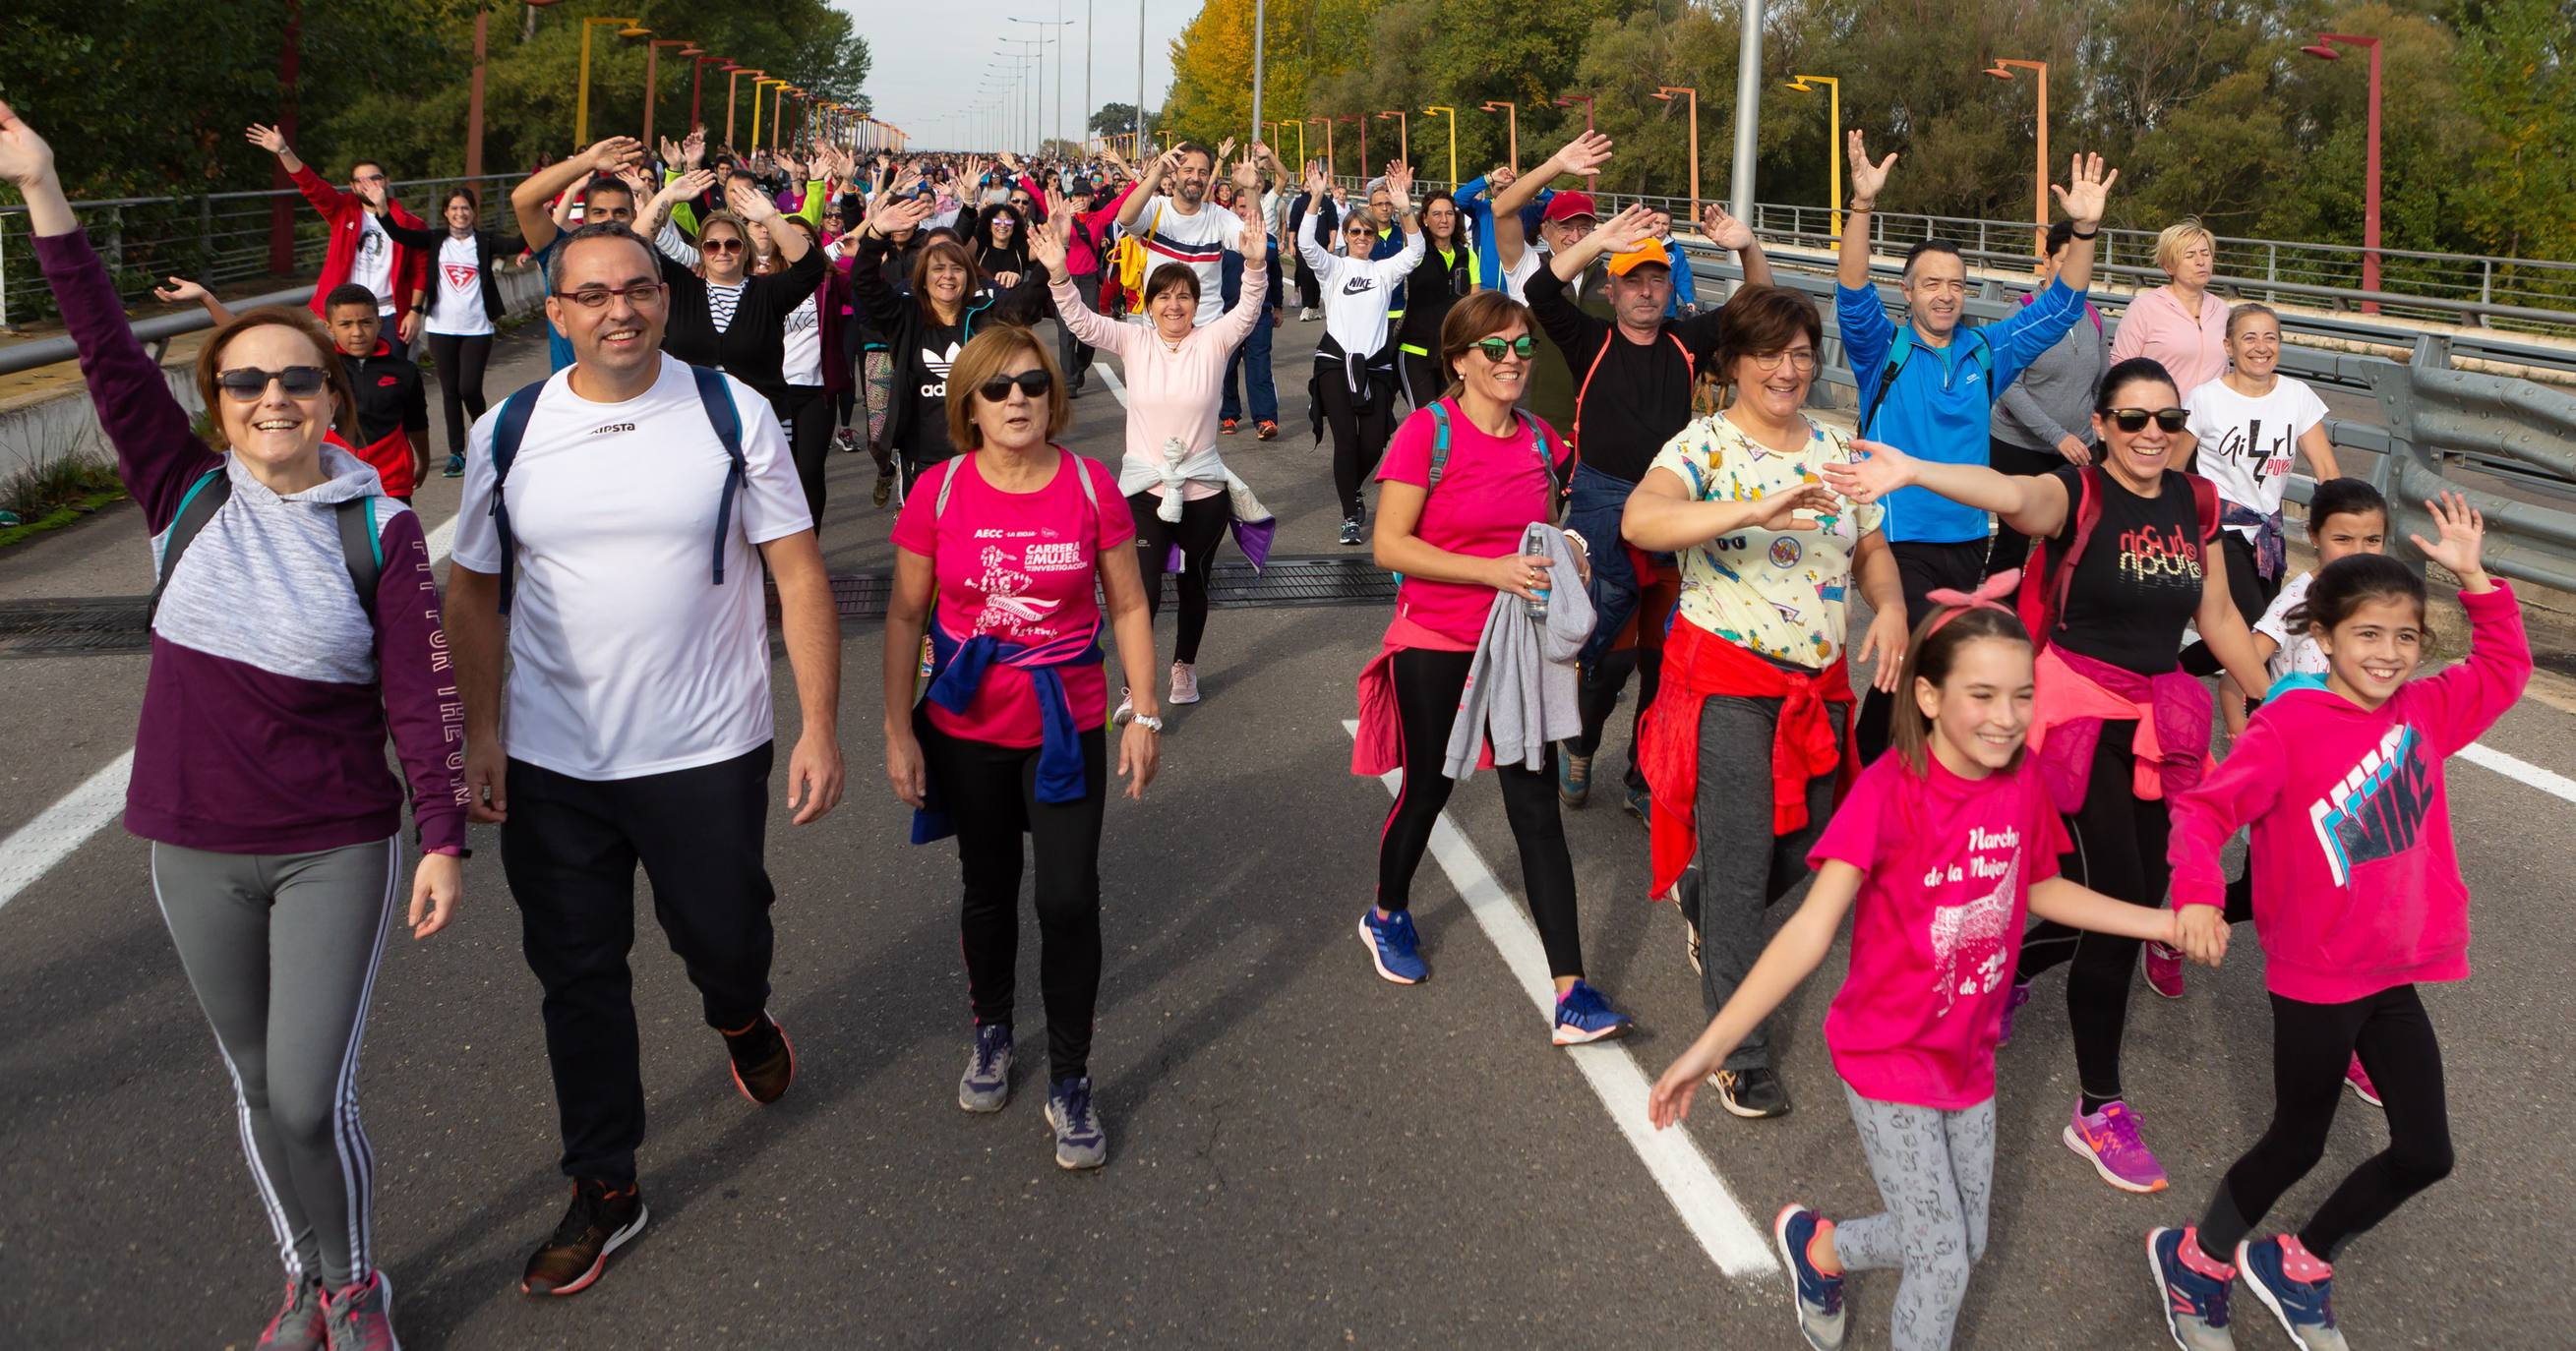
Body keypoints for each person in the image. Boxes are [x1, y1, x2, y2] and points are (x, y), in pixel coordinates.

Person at [11, 100, 461, 1350]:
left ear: (333, 394)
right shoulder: (185, 492)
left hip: (334, 842)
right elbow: (105, 354)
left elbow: (420, 689)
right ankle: (308, 1283)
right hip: (192, 844)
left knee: (313, 1095)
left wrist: (439, 836)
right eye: (247, 380)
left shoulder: (380, 525)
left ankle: (359, 1279)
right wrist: (45, 187)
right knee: (256, 1089)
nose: (273, 397)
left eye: (298, 379)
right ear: (218, 400)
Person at [1647, 586, 2213, 1351]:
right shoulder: (1887, 793)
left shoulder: (2020, 782)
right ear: (1927, 694)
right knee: (1943, 1260)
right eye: (1981, 695)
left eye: (2021, 695)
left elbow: (2039, 885)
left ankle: (1821, 1252)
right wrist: (1709, 1046)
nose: (2006, 717)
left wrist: (2162, 921)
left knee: (1960, 1242)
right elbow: (1808, 932)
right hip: (1885, 1056)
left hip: (1966, 1056)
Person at [446, 220, 844, 1298]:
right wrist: (478, 732)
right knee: (577, 975)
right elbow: (473, 591)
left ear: (663, 300)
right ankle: (606, 1186)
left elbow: (798, 576)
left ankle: (739, 1012)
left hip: (707, 748)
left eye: (638, 288)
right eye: (594, 294)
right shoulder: (510, 431)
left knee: (723, 937)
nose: (620, 308)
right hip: (554, 761)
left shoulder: (729, 411)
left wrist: (818, 723)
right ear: (557, 313)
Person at [1824, 357, 2276, 1196]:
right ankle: (2097, 1109)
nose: (2150, 436)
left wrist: (2282, 705)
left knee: (2109, 890)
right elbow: (2010, 496)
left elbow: (2214, 617)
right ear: (2100, 424)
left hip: (2154, 717)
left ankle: (2007, 976)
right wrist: (1913, 468)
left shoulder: (2196, 503)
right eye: (2131, 420)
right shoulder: (2076, 493)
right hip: (2072, 718)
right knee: (2125, 908)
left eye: (2166, 422)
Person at [2148, 498, 2527, 1351]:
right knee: (2296, 1142)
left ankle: (2299, 1262)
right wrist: (2200, 895)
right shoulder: (2287, 724)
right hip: (2317, 974)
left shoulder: (2423, 715)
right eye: (2367, 635)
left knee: (2426, 1152)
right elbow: (2203, 813)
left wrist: (2475, 582)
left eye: (2404, 638)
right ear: (2324, 639)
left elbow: (2502, 671)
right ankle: (2197, 1259)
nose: (2388, 654)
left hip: (2391, 972)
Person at [1620, 284, 1908, 1118]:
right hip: (1726, 683)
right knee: (1746, 864)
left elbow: (1872, 550)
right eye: (1767, 355)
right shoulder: (1702, 445)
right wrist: (1759, 502)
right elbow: (1643, 521)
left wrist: (1888, 604)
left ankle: (1706, 902)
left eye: (1799, 354)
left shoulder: (1841, 446)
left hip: (1817, 687)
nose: (1786, 370)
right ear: (1734, 364)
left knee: (1819, 844)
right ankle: (1733, 1050)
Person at [880, 326, 1164, 1171]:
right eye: (997, 388)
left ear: (1053, 395)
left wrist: (1141, 711)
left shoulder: (1087, 485)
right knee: (988, 888)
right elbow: (902, 617)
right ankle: (994, 1028)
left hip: (1064, 727)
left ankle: (1071, 1077)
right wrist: (898, 731)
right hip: (967, 728)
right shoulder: (936, 492)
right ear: (967, 402)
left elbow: (1129, 608)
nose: (1016, 401)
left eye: (1032, 386)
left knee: (1069, 900)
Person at [1353, 291, 1635, 1044]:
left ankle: (1570, 992)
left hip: (1516, 651)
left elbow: (1559, 520)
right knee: (1428, 789)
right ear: (1459, 362)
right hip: (1435, 640)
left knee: (1534, 810)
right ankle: (1386, 913)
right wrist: (1493, 572)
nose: (1512, 361)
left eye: (1521, 347)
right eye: (1495, 350)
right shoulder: (1427, 433)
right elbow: (1389, 545)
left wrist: (1568, 547)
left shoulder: (1542, 441)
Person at [1836, 133, 2114, 763]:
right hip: (1894, 536)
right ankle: (1876, 783)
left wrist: (2086, 230)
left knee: (1929, 670)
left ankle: (1891, 774)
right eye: (1930, 283)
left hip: (1965, 538)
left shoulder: (1987, 351)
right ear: (1907, 292)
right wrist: (1861, 206)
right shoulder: (1884, 350)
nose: (1944, 294)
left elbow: (2063, 306)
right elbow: (1852, 293)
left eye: (1955, 284)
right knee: (1911, 660)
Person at [1528, 195, 1770, 818]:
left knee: (1663, 657)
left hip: (1671, 500)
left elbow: (1759, 308)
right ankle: (1579, 743)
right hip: (1602, 503)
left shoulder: (1686, 341)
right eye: (1632, 280)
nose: (1645, 292)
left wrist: (1746, 247)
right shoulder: (1590, 340)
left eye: (1655, 279)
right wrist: (1599, 237)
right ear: (1611, 290)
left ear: (1669, 287)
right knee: (1604, 650)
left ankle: (1643, 774)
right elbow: (1540, 291)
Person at [1035, 192, 1271, 714]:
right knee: (1138, 591)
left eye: (1183, 297)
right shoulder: (1135, 340)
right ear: (1150, 301)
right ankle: (1132, 685)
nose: (1174, 305)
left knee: (1193, 585)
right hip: (1142, 490)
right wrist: (1059, 275)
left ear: (1195, 304)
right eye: (1163, 296)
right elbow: (1081, 323)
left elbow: (1250, 308)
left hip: (1204, 489)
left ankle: (1183, 666)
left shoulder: (1214, 340)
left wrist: (1255, 264)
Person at [2178, 303, 2344, 739]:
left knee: (2263, 635)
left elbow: (2327, 470)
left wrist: (2340, 535)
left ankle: (2166, 671)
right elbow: (2174, 471)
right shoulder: (2205, 399)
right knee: (2253, 633)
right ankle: (2265, 733)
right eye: (2249, 338)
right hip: (2217, 530)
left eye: (2270, 337)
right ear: (2228, 345)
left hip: (2268, 536)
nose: (2261, 347)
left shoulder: (2297, 396)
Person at [642, 176, 829, 520]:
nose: (723, 252)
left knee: (762, 523)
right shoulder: (681, 288)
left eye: (732, 244)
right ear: (701, 250)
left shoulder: (767, 293)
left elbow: (810, 269)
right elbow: (635, 245)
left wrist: (772, 218)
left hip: (762, 430)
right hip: (691, 428)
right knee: (699, 519)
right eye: (712, 246)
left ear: (745, 249)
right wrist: (667, 195)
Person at [154, 279, 431, 505]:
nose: (357, 332)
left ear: (380, 323)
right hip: (330, 481)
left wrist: (423, 461)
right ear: (329, 327)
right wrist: (206, 298)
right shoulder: (318, 364)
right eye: (346, 325)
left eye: (366, 322)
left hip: (391, 483)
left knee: (392, 556)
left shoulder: (404, 371)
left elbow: (417, 423)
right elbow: (246, 335)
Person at [850, 178, 1006, 490]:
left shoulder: (982, 313)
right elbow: (865, 283)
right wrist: (877, 233)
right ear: (921, 277)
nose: (946, 276)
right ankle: (886, 471)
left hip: (978, 458)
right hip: (920, 456)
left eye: (955, 269)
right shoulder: (906, 312)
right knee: (877, 438)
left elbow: (1027, 306)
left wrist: (1054, 269)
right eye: (936, 269)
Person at [1301, 160, 1426, 547]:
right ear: (1345, 235)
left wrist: (1406, 209)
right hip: (1335, 364)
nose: (1361, 237)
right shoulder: (1333, 268)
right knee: (1347, 440)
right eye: (1355, 231)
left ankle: (1351, 487)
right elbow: (1306, 245)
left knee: (1374, 442)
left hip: (1375, 368)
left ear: (1374, 236)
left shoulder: (1384, 271)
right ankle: (1349, 515)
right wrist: (1316, 197)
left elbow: (1417, 251)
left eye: (1367, 232)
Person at [373, 186, 525, 478]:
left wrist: (537, 211)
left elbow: (518, 242)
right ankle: (457, 452)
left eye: (465, 208)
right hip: (441, 326)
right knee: (450, 391)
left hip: (477, 327)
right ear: (446, 212)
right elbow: (399, 235)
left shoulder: (485, 240)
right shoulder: (436, 240)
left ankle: (485, 439)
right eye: (454, 208)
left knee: (469, 387)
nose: (460, 213)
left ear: (474, 212)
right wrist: (381, 206)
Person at [1987, 220, 2109, 577]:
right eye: (2063, 260)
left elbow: (2102, 383)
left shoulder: (2093, 316)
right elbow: (2010, 386)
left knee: (2075, 539)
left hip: (2079, 448)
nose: (2071, 270)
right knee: (2013, 541)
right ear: (2046, 260)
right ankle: (1999, 619)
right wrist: (2058, 435)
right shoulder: (2020, 314)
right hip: (2018, 446)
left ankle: (2056, 617)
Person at [244, 122, 428, 344]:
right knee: (344, 376)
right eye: (361, 180)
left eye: (375, 178)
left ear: (387, 181)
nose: (368, 184)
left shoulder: (412, 224)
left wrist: (415, 312)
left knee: (389, 376)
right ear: (352, 187)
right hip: (345, 313)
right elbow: (310, 185)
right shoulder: (342, 211)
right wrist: (284, 151)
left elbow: (421, 272)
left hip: (389, 312)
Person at [511, 136, 650, 373]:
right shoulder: (563, 254)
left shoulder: (647, 262)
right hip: (574, 400)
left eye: (619, 213)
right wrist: (588, 160)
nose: (609, 219)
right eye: (599, 212)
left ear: (634, 217)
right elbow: (522, 201)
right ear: (585, 218)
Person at [1113, 143, 1252, 327]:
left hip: (1205, 336)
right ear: (1173, 173)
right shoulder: (1156, 208)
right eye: (1188, 170)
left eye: (1203, 172)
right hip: (1157, 334)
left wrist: (1251, 190)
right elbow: (1125, 218)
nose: (1195, 177)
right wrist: (1156, 174)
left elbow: (1253, 242)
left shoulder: (1218, 216)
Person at [2112, 219, 2230, 395]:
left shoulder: (2221, 310)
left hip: (2209, 419)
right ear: (2169, 266)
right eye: (2190, 255)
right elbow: (2119, 368)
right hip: (2161, 416)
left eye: (2205, 253)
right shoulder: (2144, 308)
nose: (2200, 261)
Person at [1395, 191, 1477, 409]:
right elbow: (1410, 233)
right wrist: (1404, 207)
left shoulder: (1467, 255)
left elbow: (1474, 305)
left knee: (1453, 421)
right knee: (1427, 421)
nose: (1443, 220)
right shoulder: (1416, 253)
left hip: (1451, 354)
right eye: (1437, 214)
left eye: (1449, 214)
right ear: (1425, 219)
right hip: (1415, 352)